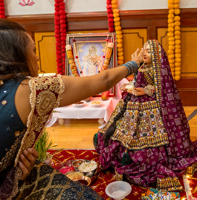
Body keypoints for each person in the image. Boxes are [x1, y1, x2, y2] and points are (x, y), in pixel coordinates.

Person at [0, 19, 144, 199]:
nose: (37, 57)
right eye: (33, 50)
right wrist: (134, 63)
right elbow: (103, 81)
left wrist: (17, 169)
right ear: (17, 55)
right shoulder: (29, 91)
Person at [94, 39, 197, 192]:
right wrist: (131, 87)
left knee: (145, 134)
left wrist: (146, 90)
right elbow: (137, 82)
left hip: (150, 106)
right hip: (133, 102)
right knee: (115, 130)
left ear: (157, 56)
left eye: (149, 51)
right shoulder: (141, 66)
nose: (144, 53)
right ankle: (121, 151)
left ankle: (137, 155)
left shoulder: (157, 69)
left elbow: (162, 87)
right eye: (144, 50)